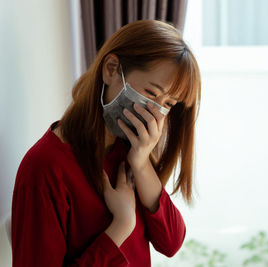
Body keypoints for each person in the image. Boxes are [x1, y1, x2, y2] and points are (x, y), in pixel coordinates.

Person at [11, 19, 201, 267]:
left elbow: (172, 241)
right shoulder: (45, 167)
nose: (156, 112)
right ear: (111, 69)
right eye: (152, 94)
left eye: (168, 104)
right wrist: (122, 225)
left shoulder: (131, 150)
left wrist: (141, 165)